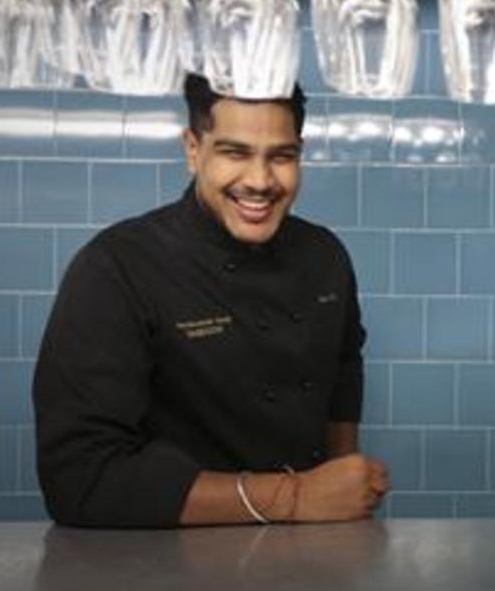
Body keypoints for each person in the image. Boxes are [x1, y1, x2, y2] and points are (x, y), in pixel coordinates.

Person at [33, 74, 388, 527]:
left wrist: (343, 483)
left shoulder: (325, 257)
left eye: (282, 156)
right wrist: (297, 497)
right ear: (193, 149)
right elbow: (80, 482)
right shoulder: (117, 267)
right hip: (162, 559)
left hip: (304, 553)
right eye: (234, 152)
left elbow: (343, 367)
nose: (260, 181)